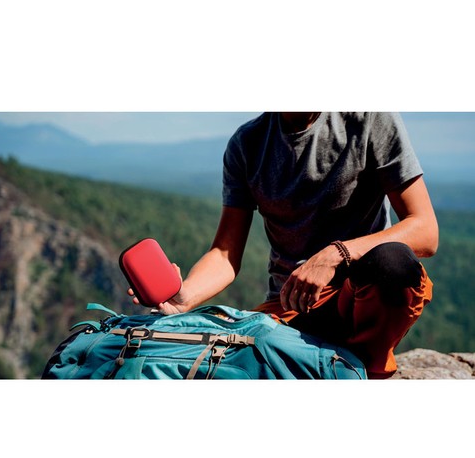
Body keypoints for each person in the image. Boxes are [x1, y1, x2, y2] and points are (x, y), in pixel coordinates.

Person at [129, 112, 438, 379]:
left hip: (361, 300)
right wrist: (186, 296)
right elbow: (225, 253)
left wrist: (337, 254)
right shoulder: (247, 144)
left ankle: (360, 369)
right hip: (290, 307)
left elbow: (425, 229)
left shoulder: (369, 119)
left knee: (393, 263)